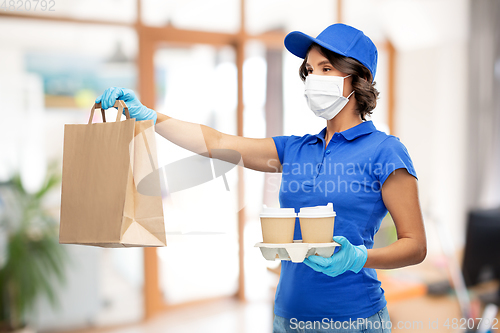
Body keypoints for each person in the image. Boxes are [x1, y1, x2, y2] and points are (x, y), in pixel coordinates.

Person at [96, 23, 426, 333]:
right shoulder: (296, 149)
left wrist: (359, 256)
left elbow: (415, 245)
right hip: (288, 315)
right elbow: (218, 143)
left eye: (325, 68)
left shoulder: (386, 151)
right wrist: (151, 116)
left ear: (358, 79)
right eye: (309, 71)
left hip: (354, 319)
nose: (313, 79)